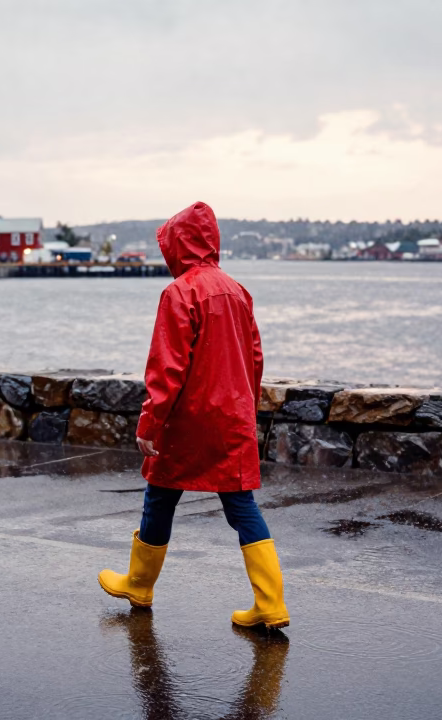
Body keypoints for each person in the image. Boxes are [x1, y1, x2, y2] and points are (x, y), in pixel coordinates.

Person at [97, 201, 289, 630]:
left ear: (177, 245)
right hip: (232, 420)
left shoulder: (178, 293)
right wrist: (246, 406)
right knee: (241, 505)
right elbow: (255, 358)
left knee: (160, 495)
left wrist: (150, 422)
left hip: (187, 421)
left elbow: (166, 367)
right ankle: (271, 602)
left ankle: (140, 584)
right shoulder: (239, 292)